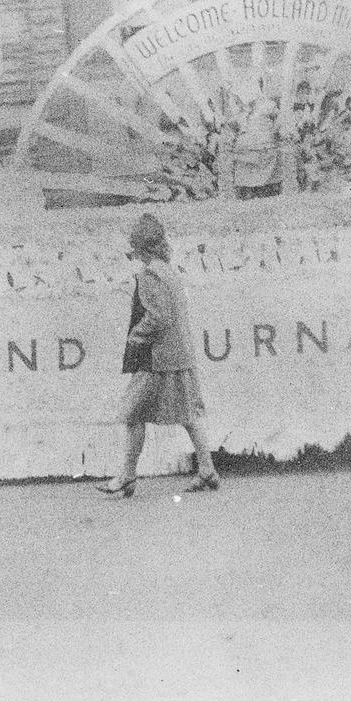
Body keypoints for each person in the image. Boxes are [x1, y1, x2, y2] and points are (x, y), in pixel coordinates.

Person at [96, 213, 221, 498]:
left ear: (140, 247)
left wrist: (135, 335)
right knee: (188, 414)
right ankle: (207, 471)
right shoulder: (169, 272)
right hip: (181, 356)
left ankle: (127, 476)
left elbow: (159, 317)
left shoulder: (149, 276)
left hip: (158, 359)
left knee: (131, 413)